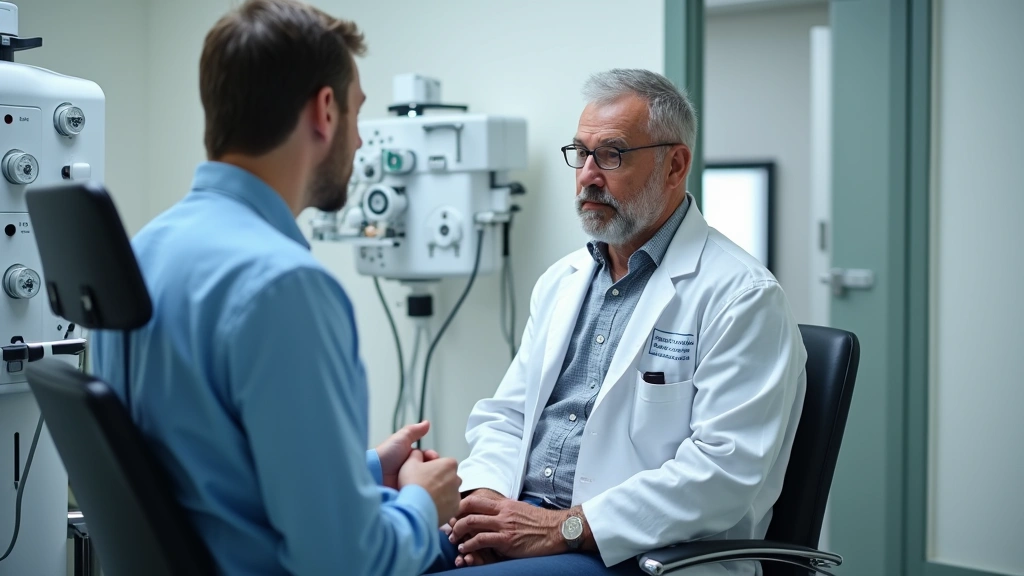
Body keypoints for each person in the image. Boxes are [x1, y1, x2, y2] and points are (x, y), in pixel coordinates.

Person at [89, 1, 461, 574]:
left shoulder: (146, 249)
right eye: (358, 115)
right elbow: (344, 562)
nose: (361, 142)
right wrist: (421, 502)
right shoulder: (285, 288)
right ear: (325, 110)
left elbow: (198, 478)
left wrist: (361, 470)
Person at [439, 69, 807, 576]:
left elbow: (721, 474)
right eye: (580, 153)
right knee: (370, 555)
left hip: (639, 553)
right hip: (527, 524)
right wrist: (486, 510)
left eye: (611, 155)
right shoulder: (562, 280)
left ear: (674, 165)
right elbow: (508, 416)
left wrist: (558, 529)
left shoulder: (743, 297)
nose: (588, 174)